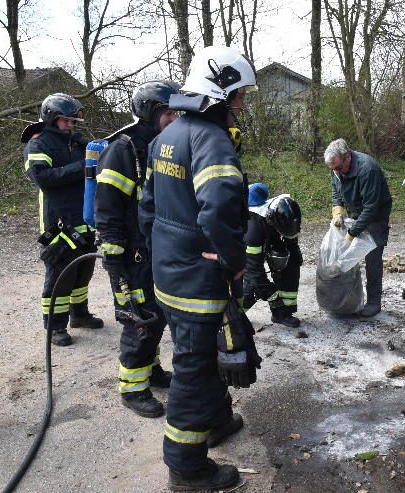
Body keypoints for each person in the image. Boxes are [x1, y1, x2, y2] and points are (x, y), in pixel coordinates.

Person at [139, 46, 258, 491]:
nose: (242, 104)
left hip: (170, 271)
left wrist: (163, 257)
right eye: (240, 94)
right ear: (219, 91)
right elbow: (219, 210)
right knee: (196, 368)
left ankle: (216, 420)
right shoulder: (212, 141)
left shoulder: (165, 137)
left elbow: (148, 209)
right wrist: (234, 261)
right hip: (198, 278)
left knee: (202, 355)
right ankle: (187, 468)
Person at [94, 80, 180, 418]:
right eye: (169, 113)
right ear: (151, 112)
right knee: (139, 319)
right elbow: (109, 209)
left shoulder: (160, 147)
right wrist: (114, 257)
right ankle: (132, 388)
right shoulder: (123, 149)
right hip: (130, 254)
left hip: (155, 249)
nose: (176, 120)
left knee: (156, 315)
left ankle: (152, 371)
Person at [23, 93, 102, 347]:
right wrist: (83, 167)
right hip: (58, 224)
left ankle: (79, 315)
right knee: (59, 277)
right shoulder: (38, 144)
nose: (71, 126)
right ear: (52, 118)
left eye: (73, 122)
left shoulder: (77, 143)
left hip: (83, 219)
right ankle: (55, 327)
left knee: (83, 272)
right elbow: (43, 178)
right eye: (66, 121)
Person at [325, 138, 392, 317]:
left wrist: (352, 234)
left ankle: (373, 302)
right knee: (347, 258)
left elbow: (371, 207)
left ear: (347, 157)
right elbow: (335, 191)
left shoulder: (368, 169)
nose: (336, 172)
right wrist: (337, 212)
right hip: (355, 213)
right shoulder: (337, 169)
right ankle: (349, 298)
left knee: (372, 260)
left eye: (338, 168)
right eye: (333, 169)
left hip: (376, 218)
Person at [243, 183, 303, 327]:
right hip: (237, 254)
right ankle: (229, 317)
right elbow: (253, 270)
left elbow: (290, 237)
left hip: (266, 237)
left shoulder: (285, 212)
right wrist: (271, 294)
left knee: (291, 263)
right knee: (253, 285)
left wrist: (293, 251)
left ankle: (283, 313)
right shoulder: (253, 228)